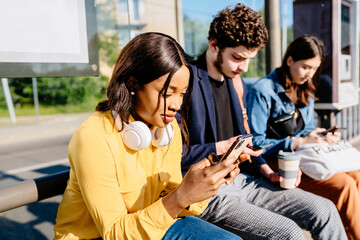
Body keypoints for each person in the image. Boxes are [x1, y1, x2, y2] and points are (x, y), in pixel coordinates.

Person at [179, 4, 347, 240]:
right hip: (209, 190)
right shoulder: (186, 84)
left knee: (326, 210)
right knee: (289, 233)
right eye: (237, 58)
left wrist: (269, 172)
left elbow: (247, 140)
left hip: (246, 179)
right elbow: (174, 156)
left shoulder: (237, 84)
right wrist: (220, 147)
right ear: (214, 44)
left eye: (249, 59)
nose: (244, 67)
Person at [53, 32, 243, 240]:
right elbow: (115, 233)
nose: (176, 105)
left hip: (148, 228)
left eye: (182, 93)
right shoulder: (94, 137)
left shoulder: (165, 131)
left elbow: (169, 203)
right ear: (133, 83)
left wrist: (203, 185)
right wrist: (181, 197)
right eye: (167, 93)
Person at [247, 35, 360, 240]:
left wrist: (320, 135)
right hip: (277, 164)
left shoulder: (305, 89)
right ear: (289, 60)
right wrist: (296, 142)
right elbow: (254, 143)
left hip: (303, 159)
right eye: (306, 67)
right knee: (345, 185)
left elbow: (306, 129)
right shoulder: (262, 90)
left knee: (356, 175)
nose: (310, 74)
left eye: (315, 68)